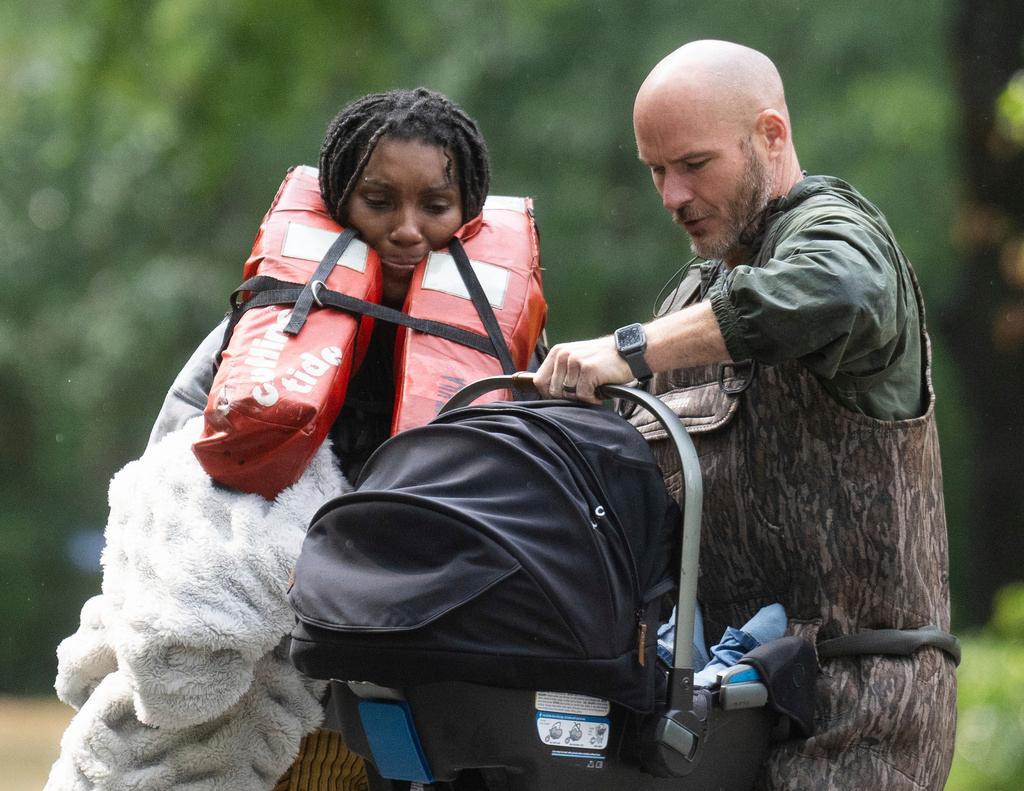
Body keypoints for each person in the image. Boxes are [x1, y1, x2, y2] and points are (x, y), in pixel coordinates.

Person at [49, 87, 544, 791]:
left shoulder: (502, 347)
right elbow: (173, 480)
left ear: (468, 211)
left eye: (434, 206)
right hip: (281, 655)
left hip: (421, 667)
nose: (408, 229)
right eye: (380, 201)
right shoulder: (263, 329)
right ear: (340, 203)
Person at [534, 40, 957, 790]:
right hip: (711, 725)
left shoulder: (838, 233)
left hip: (855, 720)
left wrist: (627, 349)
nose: (671, 196)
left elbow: (836, 290)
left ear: (771, 134)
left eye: (694, 164)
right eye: (656, 171)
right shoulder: (690, 297)